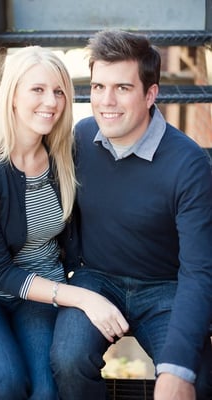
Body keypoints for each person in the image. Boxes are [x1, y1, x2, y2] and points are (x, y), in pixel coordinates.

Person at [0, 45, 129, 400]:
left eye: (59, 91)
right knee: (5, 385)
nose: (51, 101)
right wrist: (84, 298)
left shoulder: (64, 154)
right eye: (38, 89)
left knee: (46, 392)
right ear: (12, 96)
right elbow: (0, 273)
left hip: (41, 288)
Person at [50, 30, 212, 400]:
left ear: (150, 94)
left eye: (122, 88)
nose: (106, 102)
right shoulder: (81, 138)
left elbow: (199, 271)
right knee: (68, 361)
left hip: (164, 289)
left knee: (196, 380)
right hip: (96, 279)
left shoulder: (188, 165)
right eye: (97, 87)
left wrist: (177, 369)